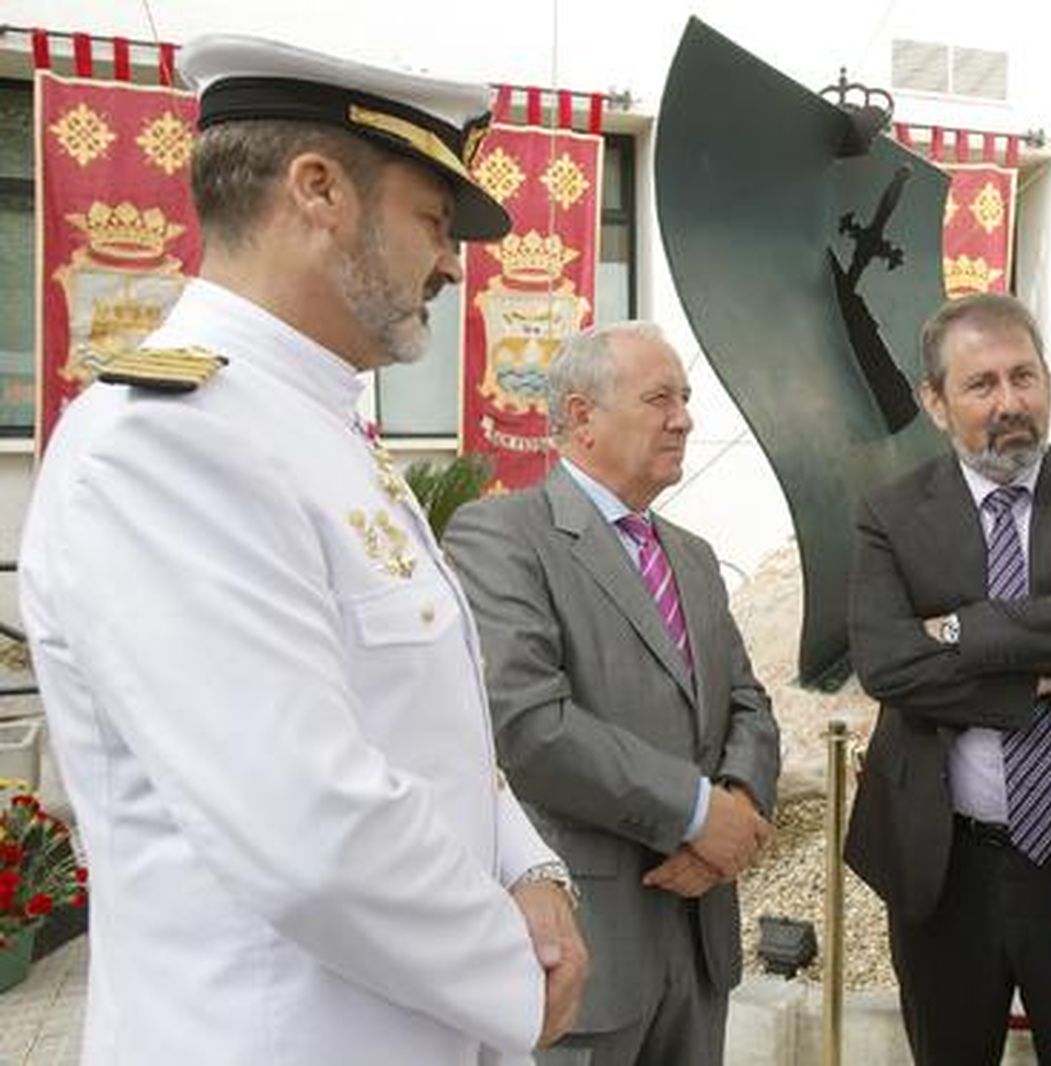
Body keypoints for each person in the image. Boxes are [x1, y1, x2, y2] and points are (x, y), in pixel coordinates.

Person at [18, 34, 588, 1065]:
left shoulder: (311, 423)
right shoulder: (169, 440)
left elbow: (432, 732)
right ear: (319, 189)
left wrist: (531, 872)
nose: (454, 263)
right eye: (432, 219)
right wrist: (516, 973)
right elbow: (312, 832)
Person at [442, 321, 781, 1066]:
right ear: (581, 416)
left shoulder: (690, 555)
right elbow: (527, 724)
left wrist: (737, 816)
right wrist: (695, 813)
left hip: (698, 948)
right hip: (590, 948)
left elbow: (749, 703)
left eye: (686, 398)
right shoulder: (501, 536)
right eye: (660, 397)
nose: (685, 417)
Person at [844, 292, 1051, 1066]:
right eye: (981, 384)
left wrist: (958, 628)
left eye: (1024, 377)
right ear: (935, 401)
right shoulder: (891, 513)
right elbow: (886, 663)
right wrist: (1039, 673)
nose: (1010, 402)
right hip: (946, 867)